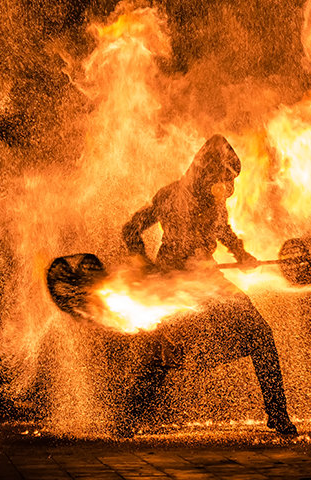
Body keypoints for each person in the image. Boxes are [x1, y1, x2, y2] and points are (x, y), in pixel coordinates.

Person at [120, 134, 297, 436]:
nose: (226, 186)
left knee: (260, 334)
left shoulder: (214, 201)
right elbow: (131, 229)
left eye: (229, 179)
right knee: (164, 356)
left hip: (210, 281)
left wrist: (240, 253)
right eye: (223, 176)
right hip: (174, 284)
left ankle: (277, 415)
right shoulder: (171, 196)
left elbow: (222, 228)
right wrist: (144, 264)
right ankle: (125, 422)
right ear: (206, 170)